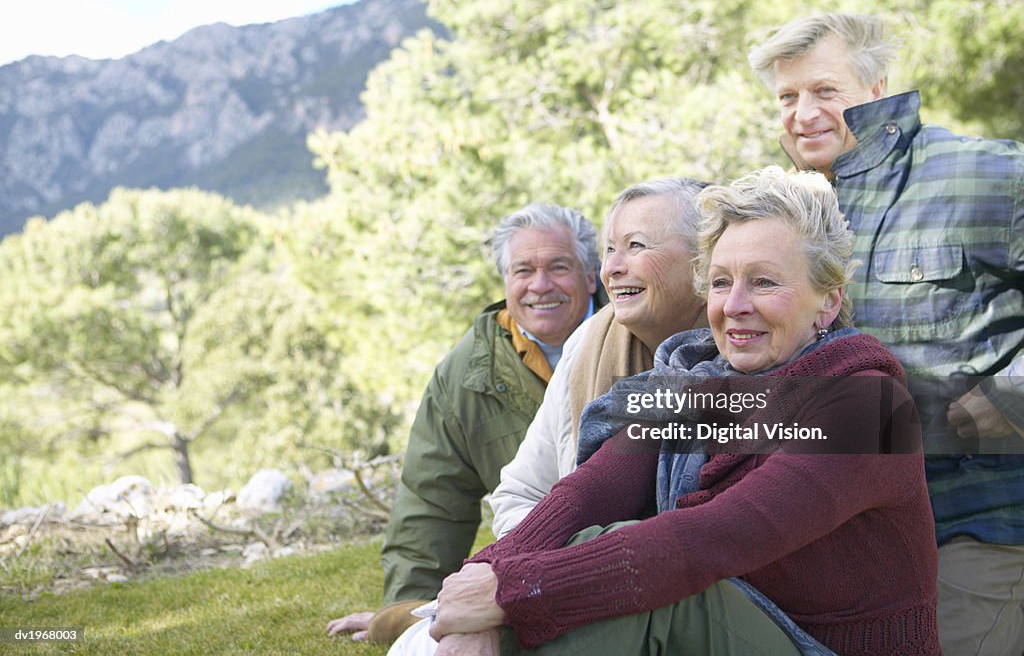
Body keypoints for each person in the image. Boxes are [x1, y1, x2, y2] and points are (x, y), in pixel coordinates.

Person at [427, 167, 940, 655]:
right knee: (585, 542)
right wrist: (479, 582)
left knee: (646, 583)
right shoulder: (698, 386)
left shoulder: (868, 409)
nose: (734, 305)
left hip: (825, 646)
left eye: (763, 282)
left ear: (827, 302)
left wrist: (508, 595)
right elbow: (591, 491)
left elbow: (715, 536)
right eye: (720, 282)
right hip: (744, 624)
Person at [748, 12, 1024, 655]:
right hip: (844, 536)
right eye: (787, 97)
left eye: (825, 91)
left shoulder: (982, 175)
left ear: (878, 89)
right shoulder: (791, 213)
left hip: (978, 522)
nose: (803, 113)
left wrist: (1012, 396)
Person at [326, 202, 602, 644]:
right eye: (523, 270)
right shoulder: (465, 374)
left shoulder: (635, 332)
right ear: (505, 281)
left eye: (559, 267)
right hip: (530, 555)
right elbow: (432, 498)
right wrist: (407, 610)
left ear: (592, 276)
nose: (540, 285)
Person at [489, 178, 708, 537]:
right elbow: (522, 494)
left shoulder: (749, 353)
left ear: (704, 259)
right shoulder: (588, 343)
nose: (612, 268)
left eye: (635, 245)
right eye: (609, 250)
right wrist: (576, 560)